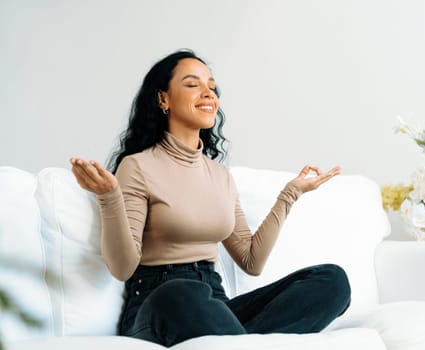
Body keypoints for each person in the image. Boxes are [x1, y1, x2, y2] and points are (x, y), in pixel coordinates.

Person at [69, 49, 350, 347]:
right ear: (163, 98)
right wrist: (109, 197)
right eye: (193, 85)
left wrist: (290, 194)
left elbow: (251, 260)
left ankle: (232, 342)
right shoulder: (138, 166)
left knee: (331, 281)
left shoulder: (220, 175)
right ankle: (239, 341)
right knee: (183, 292)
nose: (208, 93)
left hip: (215, 306)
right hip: (159, 303)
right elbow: (122, 268)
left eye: (211, 87)